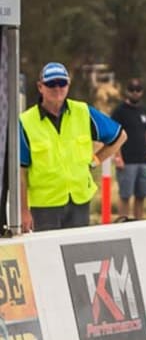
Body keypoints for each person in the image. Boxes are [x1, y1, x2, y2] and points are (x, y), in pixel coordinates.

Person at [18, 62, 126, 232]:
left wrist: (95, 160)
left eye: (62, 83)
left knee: (77, 256)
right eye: (51, 84)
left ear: (68, 85)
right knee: (48, 256)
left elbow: (120, 136)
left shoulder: (83, 112)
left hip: (79, 201)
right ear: (40, 87)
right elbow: (20, 172)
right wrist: (23, 211)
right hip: (44, 206)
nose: (57, 88)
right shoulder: (25, 122)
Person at [111, 78, 146, 220]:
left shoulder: (144, 111)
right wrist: (118, 157)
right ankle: (123, 221)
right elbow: (114, 135)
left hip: (143, 160)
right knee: (125, 194)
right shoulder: (119, 111)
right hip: (127, 160)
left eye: (138, 90)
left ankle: (138, 222)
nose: (135, 93)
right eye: (132, 90)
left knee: (141, 194)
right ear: (127, 92)